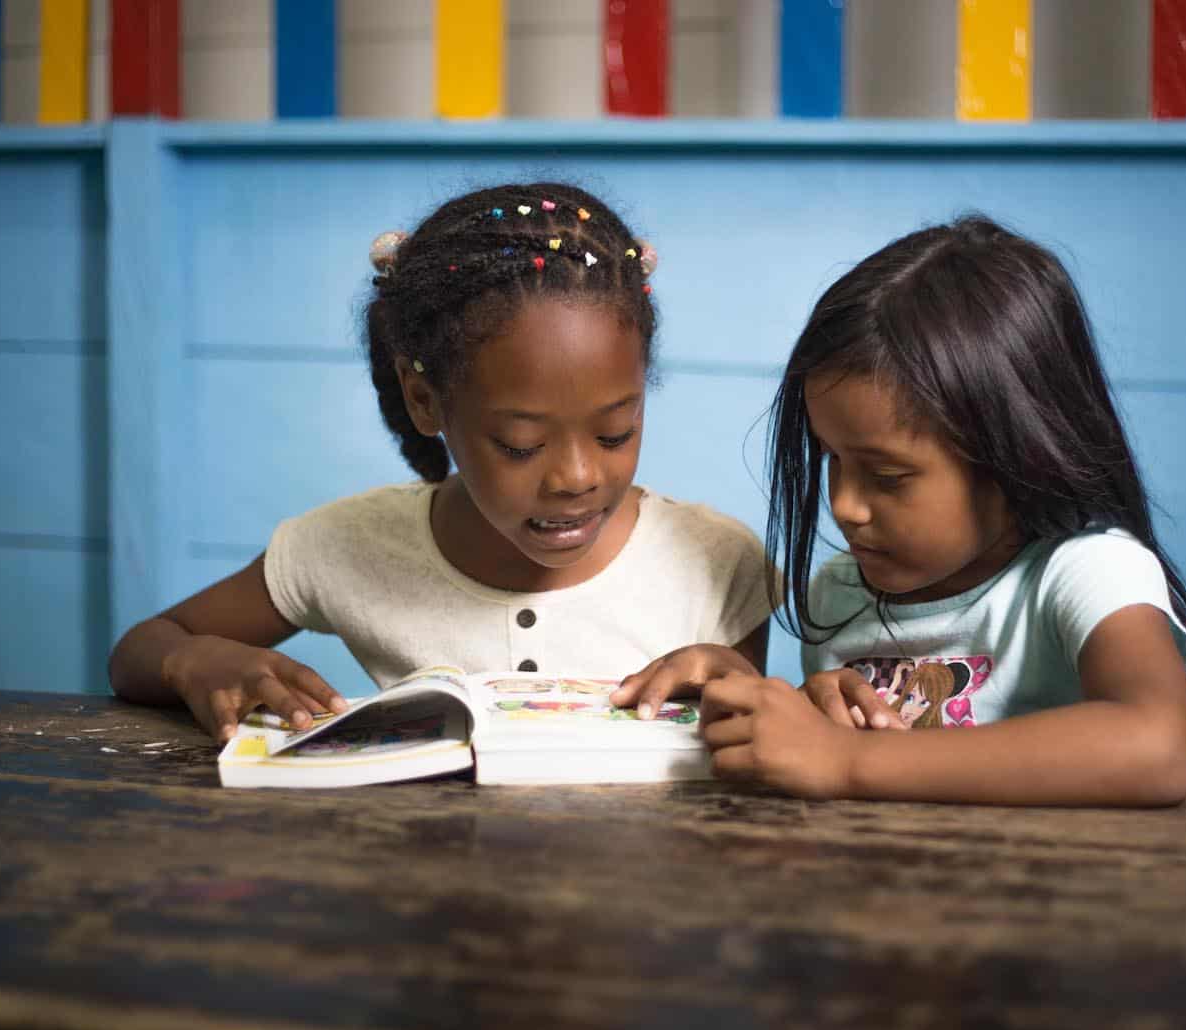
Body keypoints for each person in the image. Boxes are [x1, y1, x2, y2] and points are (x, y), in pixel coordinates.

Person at [109, 183, 771, 741]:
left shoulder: (715, 563)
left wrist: (739, 690)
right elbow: (139, 648)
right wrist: (192, 660)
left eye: (616, 431)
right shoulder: (345, 546)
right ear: (425, 400)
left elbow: (743, 762)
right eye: (520, 444)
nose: (576, 476)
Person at [614, 215, 1186, 805]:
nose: (845, 506)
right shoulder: (841, 596)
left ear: (1014, 455)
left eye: (889, 476)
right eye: (832, 460)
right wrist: (753, 698)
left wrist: (847, 761)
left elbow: (1156, 745)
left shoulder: (1085, 573)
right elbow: (830, 767)